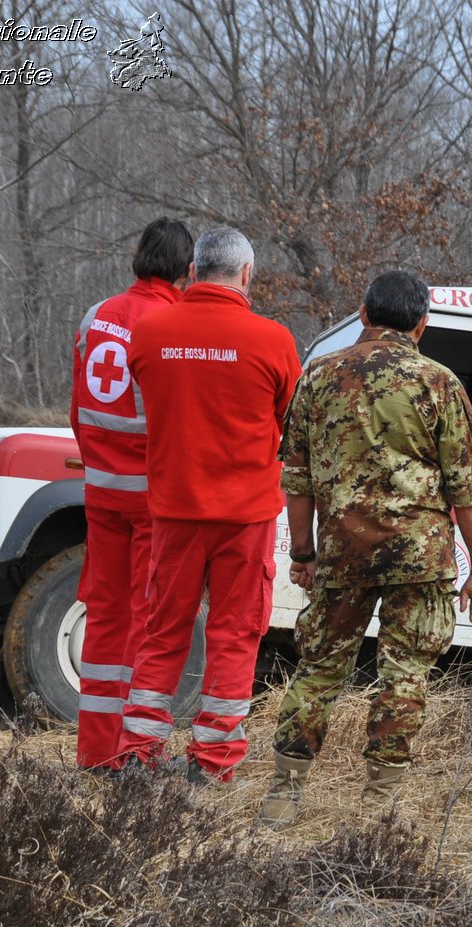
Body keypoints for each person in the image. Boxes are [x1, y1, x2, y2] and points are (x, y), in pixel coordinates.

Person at [259, 269, 472, 829]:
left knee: (319, 669)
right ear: (422, 324)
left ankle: (283, 795)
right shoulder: (440, 383)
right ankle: (377, 804)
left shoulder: (318, 377)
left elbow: (296, 479)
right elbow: (466, 492)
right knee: (405, 675)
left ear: (363, 316)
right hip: (419, 560)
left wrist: (302, 555)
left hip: (343, 555)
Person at [116, 227, 300, 782]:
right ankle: (214, 761)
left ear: (193, 271)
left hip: (173, 512)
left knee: (161, 630)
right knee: (234, 635)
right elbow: (289, 424)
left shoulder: (149, 333)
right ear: (247, 275)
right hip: (245, 518)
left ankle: (136, 753)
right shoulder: (274, 340)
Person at [69, 218, 193, 772]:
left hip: (100, 492)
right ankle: (134, 755)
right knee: (149, 623)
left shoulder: (96, 315)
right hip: (151, 499)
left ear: (136, 259)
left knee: (105, 616)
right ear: (189, 271)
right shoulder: (172, 324)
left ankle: (95, 751)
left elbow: (77, 410)